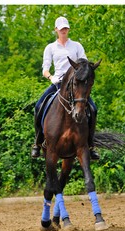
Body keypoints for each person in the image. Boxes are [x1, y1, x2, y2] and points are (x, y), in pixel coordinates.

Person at [31, 16, 99, 160]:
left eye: (66, 28)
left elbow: (84, 64)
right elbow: (45, 69)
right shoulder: (50, 47)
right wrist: (51, 77)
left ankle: (91, 145)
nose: (64, 31)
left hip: (76, 85)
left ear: (68, 29)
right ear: (56, 30)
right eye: (61, 29)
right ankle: (37, 143)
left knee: (93, 108)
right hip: (58, 83)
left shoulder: (77, 46)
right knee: (38, 106)